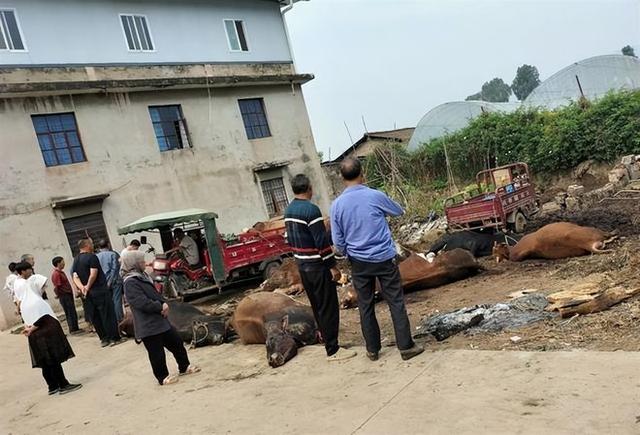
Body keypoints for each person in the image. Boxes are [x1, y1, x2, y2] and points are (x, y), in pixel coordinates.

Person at [330, 158, 424, 362]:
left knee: (365, 305)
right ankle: (406, 347)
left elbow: (337, 241)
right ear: (362, 174)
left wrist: (350, 252)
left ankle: (372, 349)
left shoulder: (337, 205)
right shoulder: (374, 196)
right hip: (383, 258)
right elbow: (398, 211)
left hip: (358, 262)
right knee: (395, 302)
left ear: (341, 178)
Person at [284, 174, 356, 362]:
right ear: (309, 188)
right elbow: (321, 241)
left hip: (303, 266)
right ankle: (333, 349)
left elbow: (289, 240)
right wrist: (332, 267)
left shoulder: (289, 210)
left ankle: (327, 341)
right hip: (318, 266)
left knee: (317, 307)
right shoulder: (311, 210)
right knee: (329, 307)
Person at [121, 251, 200, 385]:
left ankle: (184, 366)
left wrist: (164, 304)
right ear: (134, 264)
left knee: (176, 342)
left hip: (160, 321)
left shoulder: (143, 276)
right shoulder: (130, 282)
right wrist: (159, 307)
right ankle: (162, 377)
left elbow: (154, 294)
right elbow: (140, 302)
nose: (144, 264)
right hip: (148, 324)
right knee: (156, 353)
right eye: (141, 262)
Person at [13, 262, 82, 395]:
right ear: (24, 272)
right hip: (45, 333)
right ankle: (63, 384)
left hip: (35, 335)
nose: (44, 289)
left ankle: (52, 386)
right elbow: (42, 318)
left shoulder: (23, 300)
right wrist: (33, 328)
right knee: (53, 359)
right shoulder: (36, 301)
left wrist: (30, 328)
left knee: (45, 361)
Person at [72, 239, 122, 347]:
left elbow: (75, 276)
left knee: (95, 316)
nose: (92, 246)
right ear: (87, 245)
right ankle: (114, 338)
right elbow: (93, 273)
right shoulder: (92, 257)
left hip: (87, 295)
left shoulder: (76, 260)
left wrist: (82, 288)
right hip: (99, 290)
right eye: (91, 244)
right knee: (107, 314)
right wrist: (88, 286)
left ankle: (104, 339)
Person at [96, 240, 124, 323]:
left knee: (109, 302)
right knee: (117, 300)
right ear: (108, 245)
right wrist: (110, 281)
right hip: (115, 281)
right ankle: (120, 319)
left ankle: (113, 320)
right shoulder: (113, 254)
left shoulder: (96, 257)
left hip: (103, 283)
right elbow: (115, 268)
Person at [51, 257, 81, 334]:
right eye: (62, 262)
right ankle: (73, 329)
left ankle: (75, 327)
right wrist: (58, 294)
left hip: (67, 294)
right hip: (64, 295)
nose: (64, 263)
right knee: (69, 312)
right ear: (58, 263)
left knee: (72, 311)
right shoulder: (56, 274)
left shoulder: (61, 272)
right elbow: (57, 286)